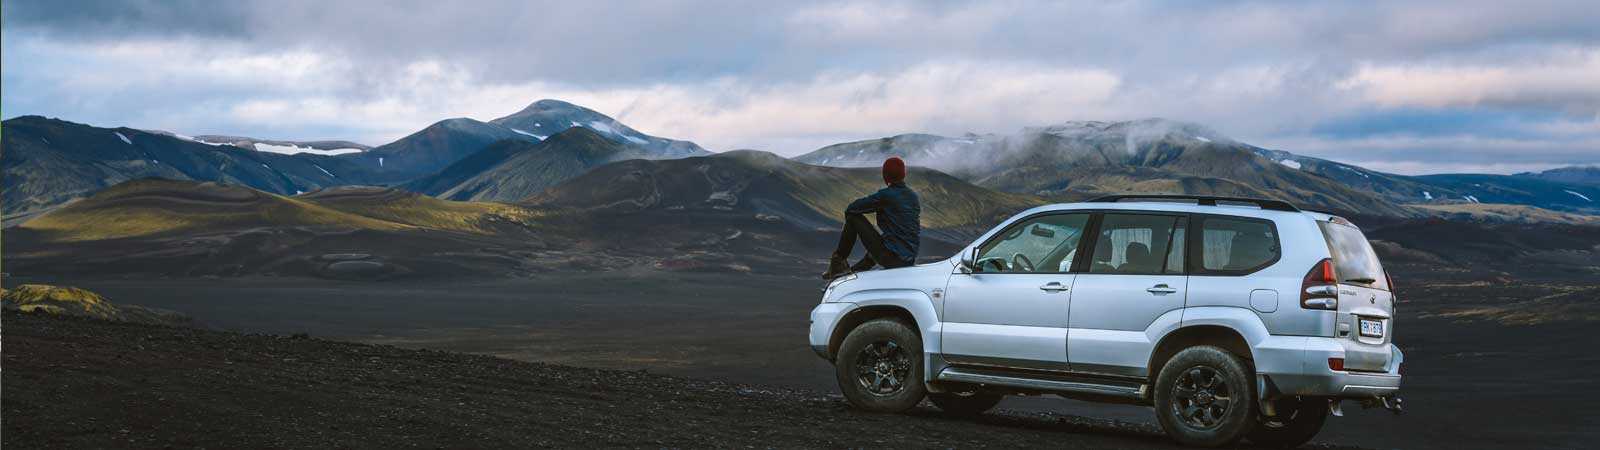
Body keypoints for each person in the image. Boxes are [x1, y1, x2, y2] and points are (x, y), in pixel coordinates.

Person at [822, 157, 921, 280]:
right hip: (908, 260)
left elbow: (852, 208)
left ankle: (838, 262)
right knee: (886, 243)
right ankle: (852, 273)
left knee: (853, 217)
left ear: (885, 176)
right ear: (903, 174)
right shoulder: (913, 196)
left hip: (892, 258)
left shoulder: (886, 195)